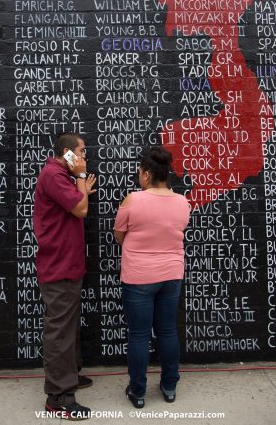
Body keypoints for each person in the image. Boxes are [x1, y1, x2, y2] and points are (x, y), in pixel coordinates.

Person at [114, 147, 190, 408]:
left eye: (139, 172)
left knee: (138, 335)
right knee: (168, 331)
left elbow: (119, 236)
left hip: (138, 277)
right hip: (172, 274)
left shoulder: (131, 200)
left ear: (146, 174)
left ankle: (138, 392)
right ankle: (169, 387)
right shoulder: (183, 202)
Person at [33, 132, 96, 420]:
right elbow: (81, 209)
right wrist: (81, 176)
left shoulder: (62, 178)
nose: (85, 156)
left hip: (69, 266)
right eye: (81, 152)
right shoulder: (55, 176)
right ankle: (58, 397)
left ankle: (68, 375)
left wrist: (79, 184)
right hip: (58, 268)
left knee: (68, 328)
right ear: (68, 153)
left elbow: (75, 204)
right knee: (59, 332)